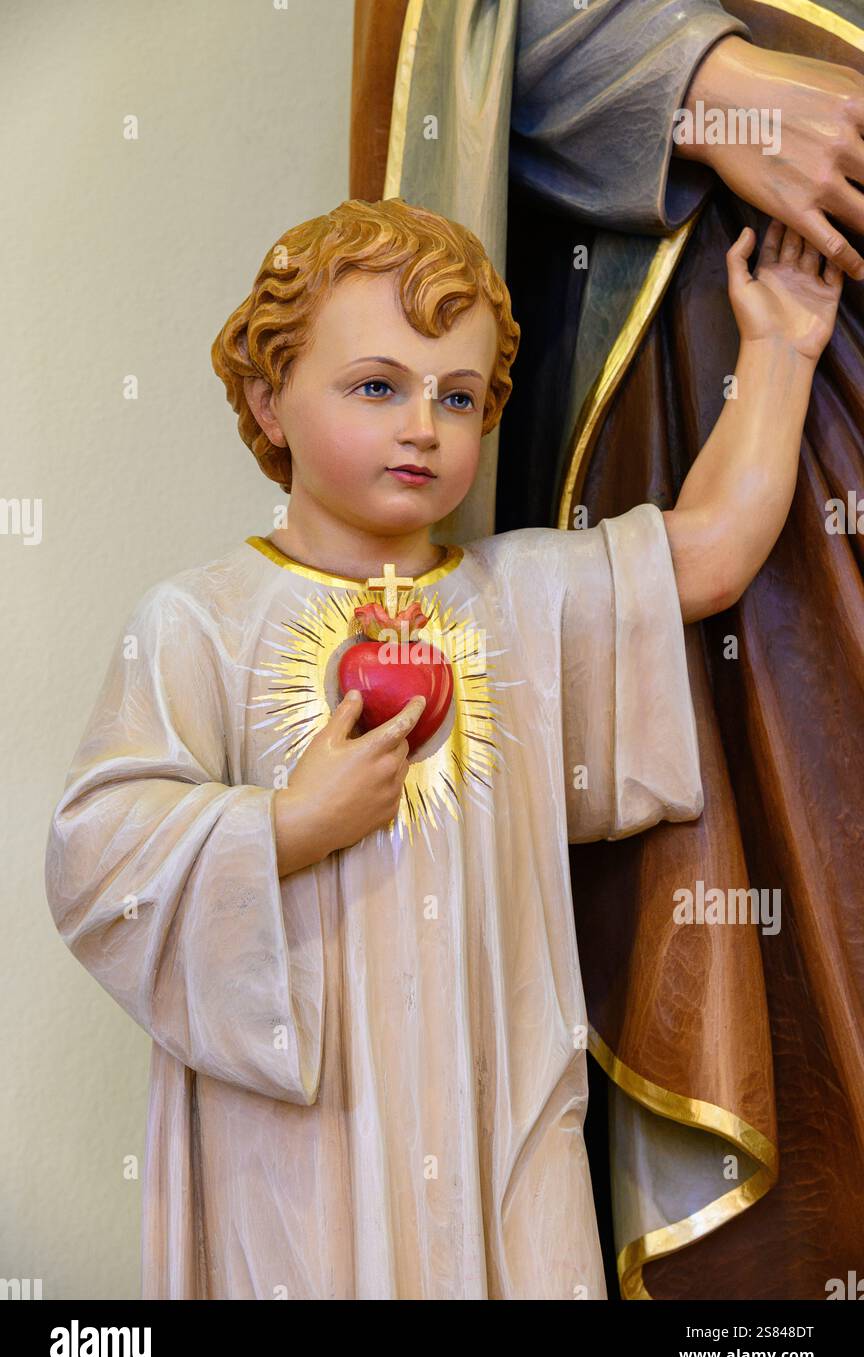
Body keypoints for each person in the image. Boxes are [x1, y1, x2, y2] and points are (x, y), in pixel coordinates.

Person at [44, 196, 840, 1299]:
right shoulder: (200, 623)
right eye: (378, 385)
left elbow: (704, 556)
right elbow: (96, 860)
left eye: (457, 397)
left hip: (499, 1102)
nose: (423, 422)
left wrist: (781, 349)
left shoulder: (519, 601)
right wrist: (284, 824)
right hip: (302, 1131)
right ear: (269, 401)